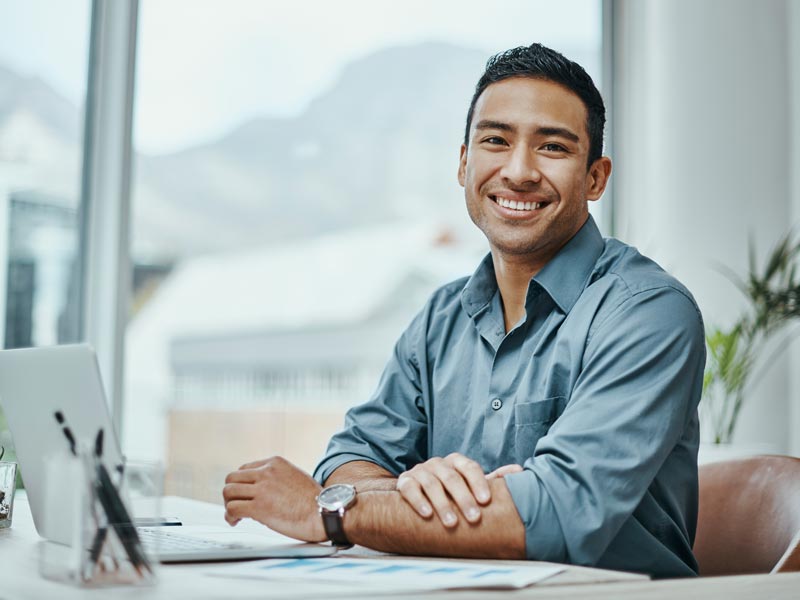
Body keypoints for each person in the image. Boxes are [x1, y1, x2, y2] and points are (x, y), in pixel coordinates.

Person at [222, 43, 705, 578]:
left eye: (553, 148)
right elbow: (351, 458)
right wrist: (407, 488)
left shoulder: (647, 313)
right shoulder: (440, 317)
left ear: (595, 178)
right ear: (463, 163)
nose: (519, 172)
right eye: (495, 140)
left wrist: (331, 512)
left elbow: (555, 516)